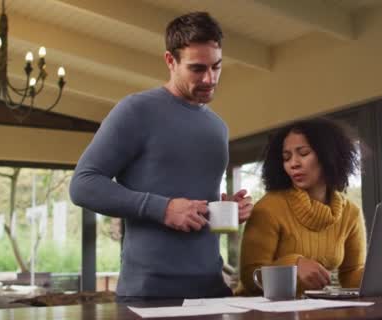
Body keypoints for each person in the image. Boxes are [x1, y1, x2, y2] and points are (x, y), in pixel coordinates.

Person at [69, 12, 252, 301]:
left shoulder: (218, 128)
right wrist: (163, 208)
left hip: (212, 290)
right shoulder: (135, 111)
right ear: (170, 61)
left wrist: (225, 210)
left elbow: (196, 205)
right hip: (148, 294)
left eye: (216, 67)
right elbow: (83, 184)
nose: (209, 78)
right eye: (197, 68)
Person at [237, 118, 366, 296]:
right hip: (259, 309)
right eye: (286, 157)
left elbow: (351, 274)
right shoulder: (269, 208)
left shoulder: (351, 213)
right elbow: (250, 277)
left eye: (303, 153)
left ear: (329, 155)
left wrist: (381, 275)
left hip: (312, 308)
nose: (293, 163)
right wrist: (293, 265)